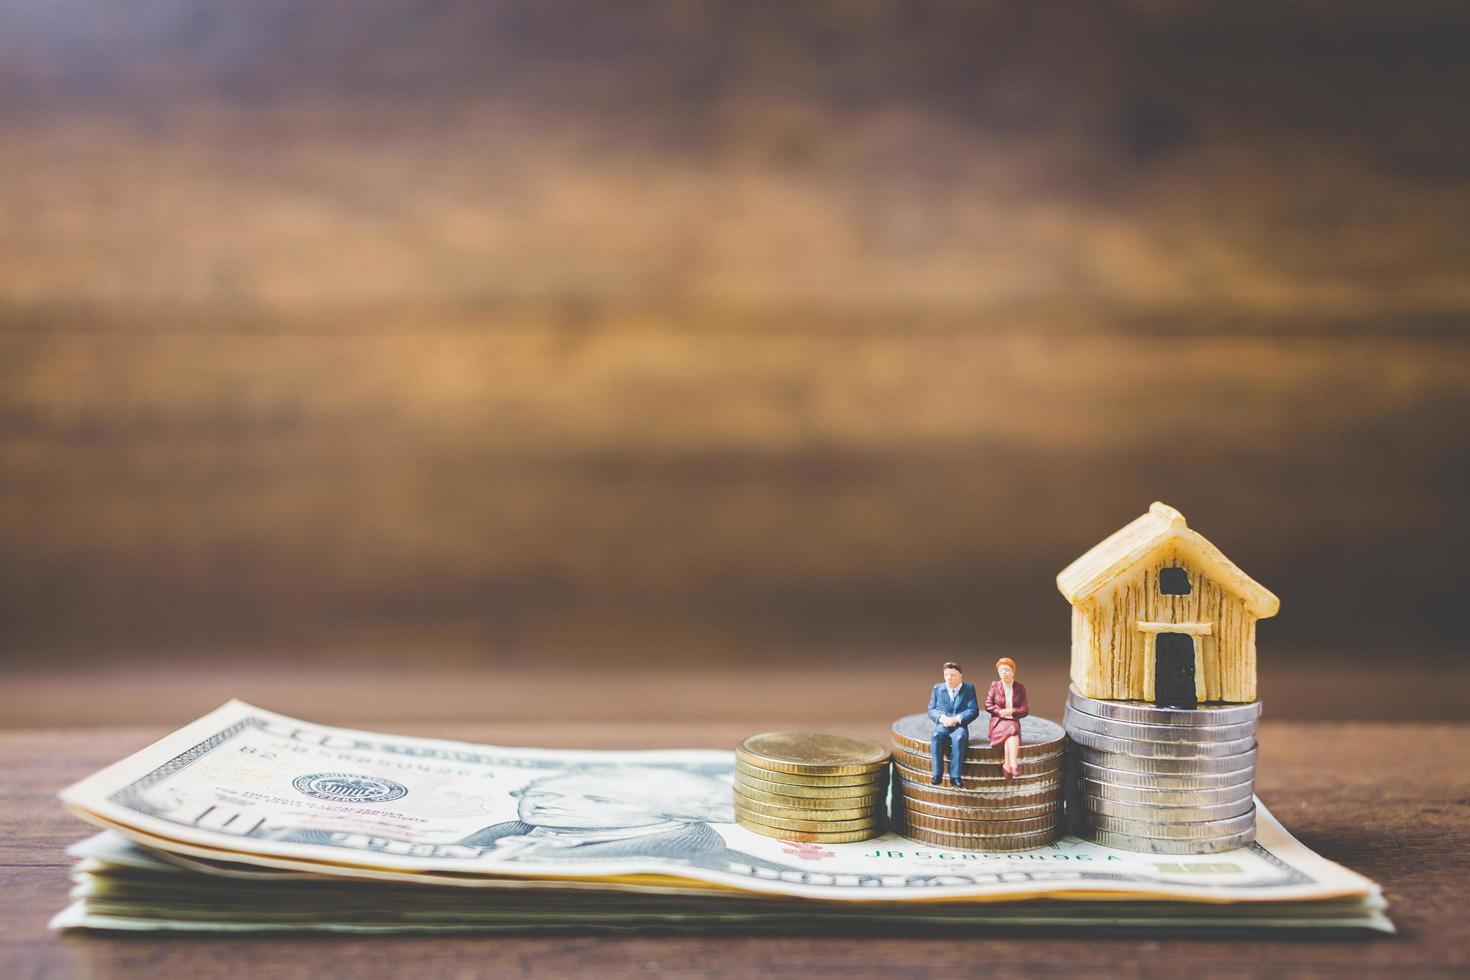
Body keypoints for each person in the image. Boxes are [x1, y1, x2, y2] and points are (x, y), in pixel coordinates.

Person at [927, 661, 979, 788]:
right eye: (946, 675)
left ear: (960, 676)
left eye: (953, 675)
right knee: (936, 736)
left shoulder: (968, 689)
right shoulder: (938, 688)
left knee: (959, 738)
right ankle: (937, 774)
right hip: (943, 724)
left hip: (959, 725)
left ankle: (955, 776)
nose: (949, 678)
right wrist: (942, 718)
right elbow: (931, 709)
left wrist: (958, 718)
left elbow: (973, 710)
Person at [985, 657, 1029, 779]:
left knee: (1012, 731)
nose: (1004, 672)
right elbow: (988, 705)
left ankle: (1008, 765)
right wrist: (1000, 712)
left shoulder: (1020, 688)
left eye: (1007, 670)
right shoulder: (994, 686)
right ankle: (1012, 765)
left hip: (1012, 720)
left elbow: (1025, 710)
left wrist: (1012, 711)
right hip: (998, 722)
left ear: (1013, 671)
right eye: (1001, 670)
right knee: (1013, 732)